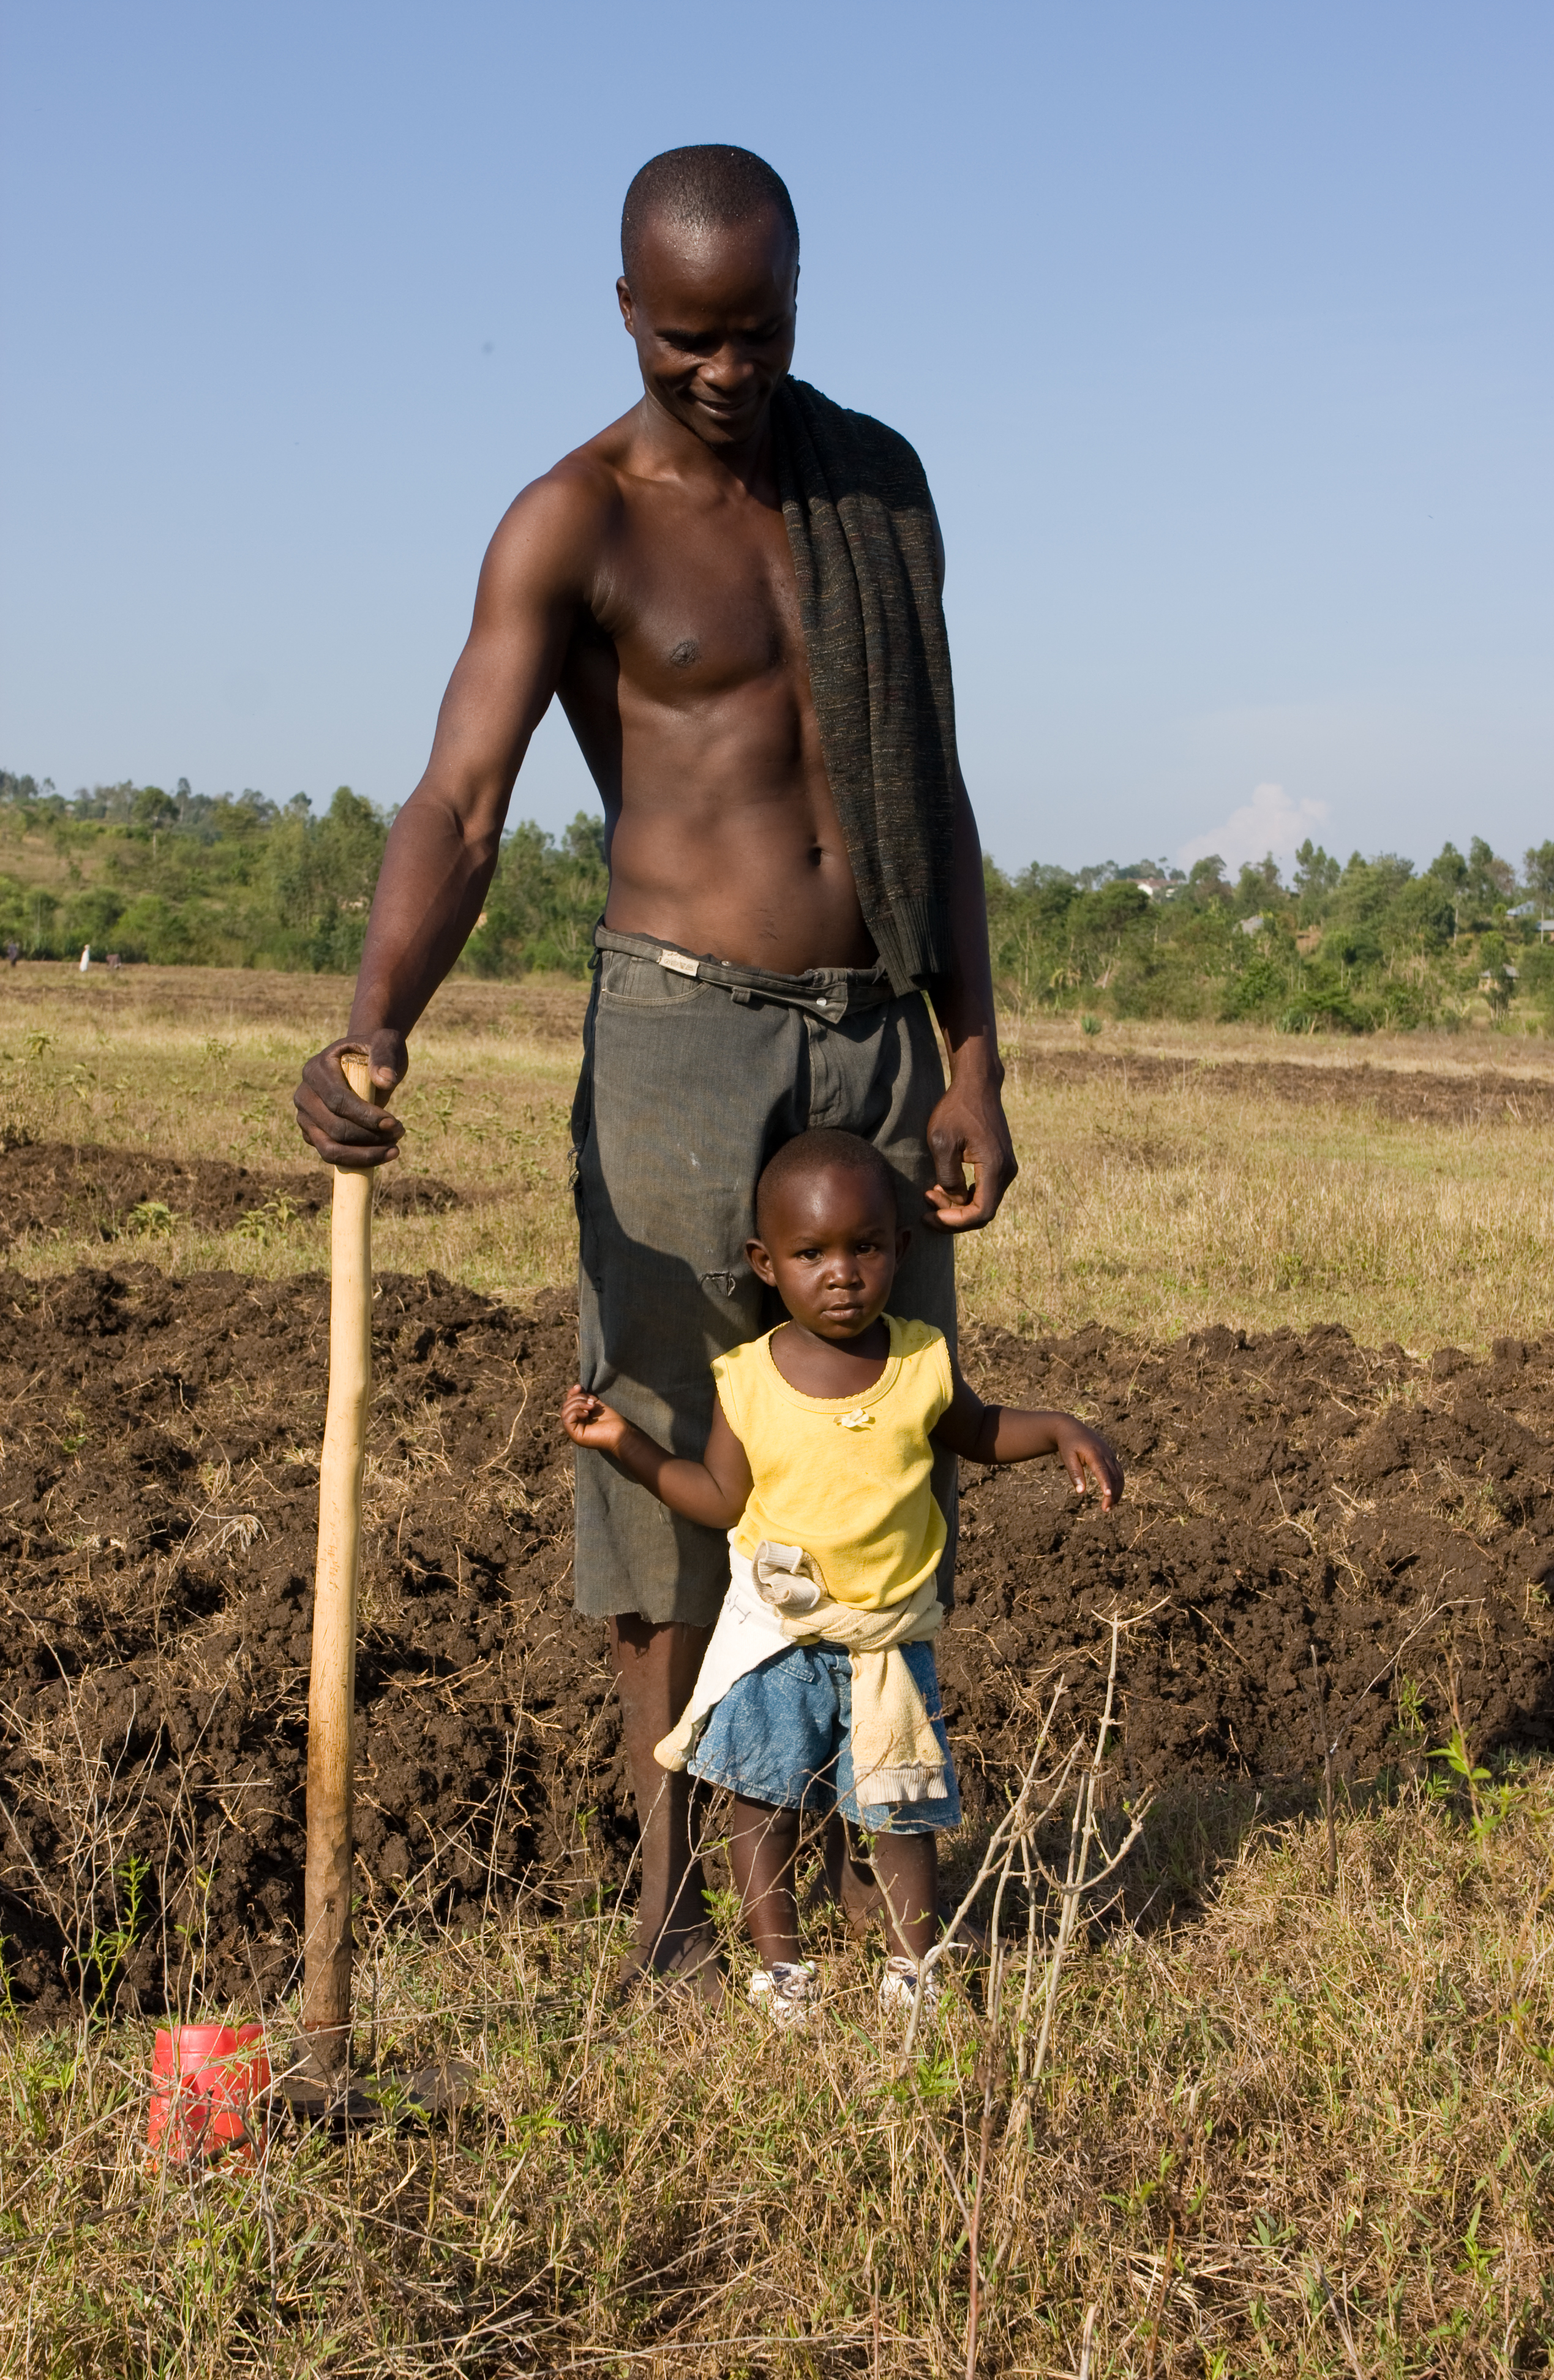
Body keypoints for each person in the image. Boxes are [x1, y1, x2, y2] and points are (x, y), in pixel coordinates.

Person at [293, 144, 1018, 2002]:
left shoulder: (874, 483)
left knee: (872, 1446)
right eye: (688, 336)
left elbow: (928, 781)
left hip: (872, 1024)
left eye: (757, 331)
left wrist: (974, 1053)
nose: (725, 368)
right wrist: (381, 1011)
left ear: (799, 303)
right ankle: (674, 1905)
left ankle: (883, 1894)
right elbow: (461, 802)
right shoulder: (575, 520)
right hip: (681, 1042)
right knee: (670, 1465)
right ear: (627, 312)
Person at [561, 1130, 1122, 2023]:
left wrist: (1055, 1427)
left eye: (864, 1247)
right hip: (779, 1639)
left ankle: (913, 1967)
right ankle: (782, 1972)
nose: (843, 1274)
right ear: (766, 1264)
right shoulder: (747, 1381)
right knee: (762, 1805)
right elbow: (713, 1496)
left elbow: (976, 1433)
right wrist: (623, 1442)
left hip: (886, 1642)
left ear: (900, 1249)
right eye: (811, 1253)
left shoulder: (919, 1361)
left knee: (900, 1813)